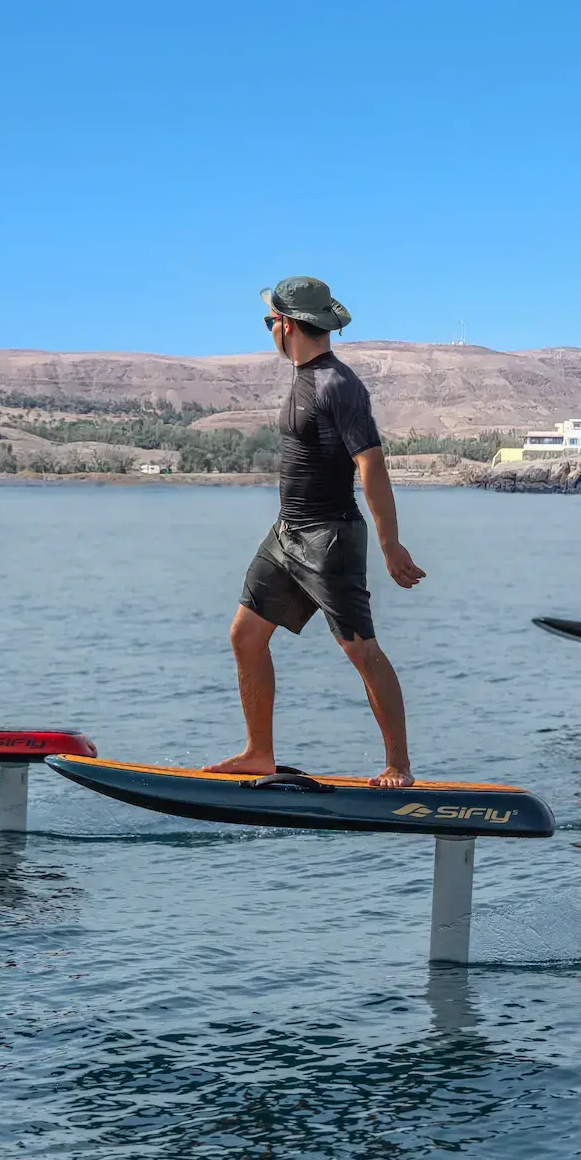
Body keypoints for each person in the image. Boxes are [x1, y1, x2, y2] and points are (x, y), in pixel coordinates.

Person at [206, 276, 425, 788]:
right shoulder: (304, 375)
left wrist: (390, 546)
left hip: (330, 539)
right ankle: (259, 752)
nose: (268, 331)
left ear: (287, 325)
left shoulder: (337, 385)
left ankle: (399, 765)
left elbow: (372, 466)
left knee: (360, 649)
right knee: (245, 635)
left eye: (269, 322)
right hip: (286, 534)